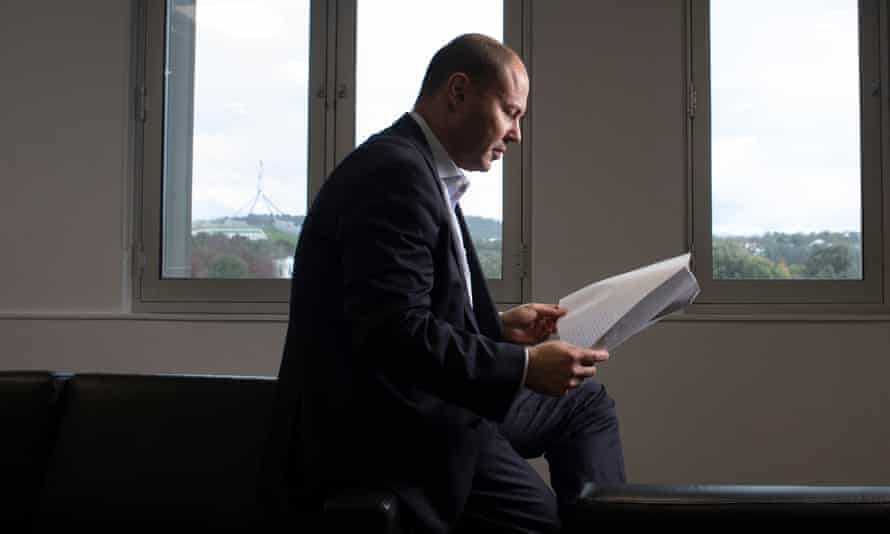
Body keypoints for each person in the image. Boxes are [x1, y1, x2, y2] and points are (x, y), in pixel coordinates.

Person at [265, 33, 625, 533]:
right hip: (395, 425)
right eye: (510, 112)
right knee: (540, 521)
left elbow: (402, 309)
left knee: (586, 404)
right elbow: (394, 332)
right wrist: (522, 365)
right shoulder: (395, 174)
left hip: (433, 397)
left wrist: (500, 329)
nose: (516, 133)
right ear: (458, 92)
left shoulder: (418, 169)